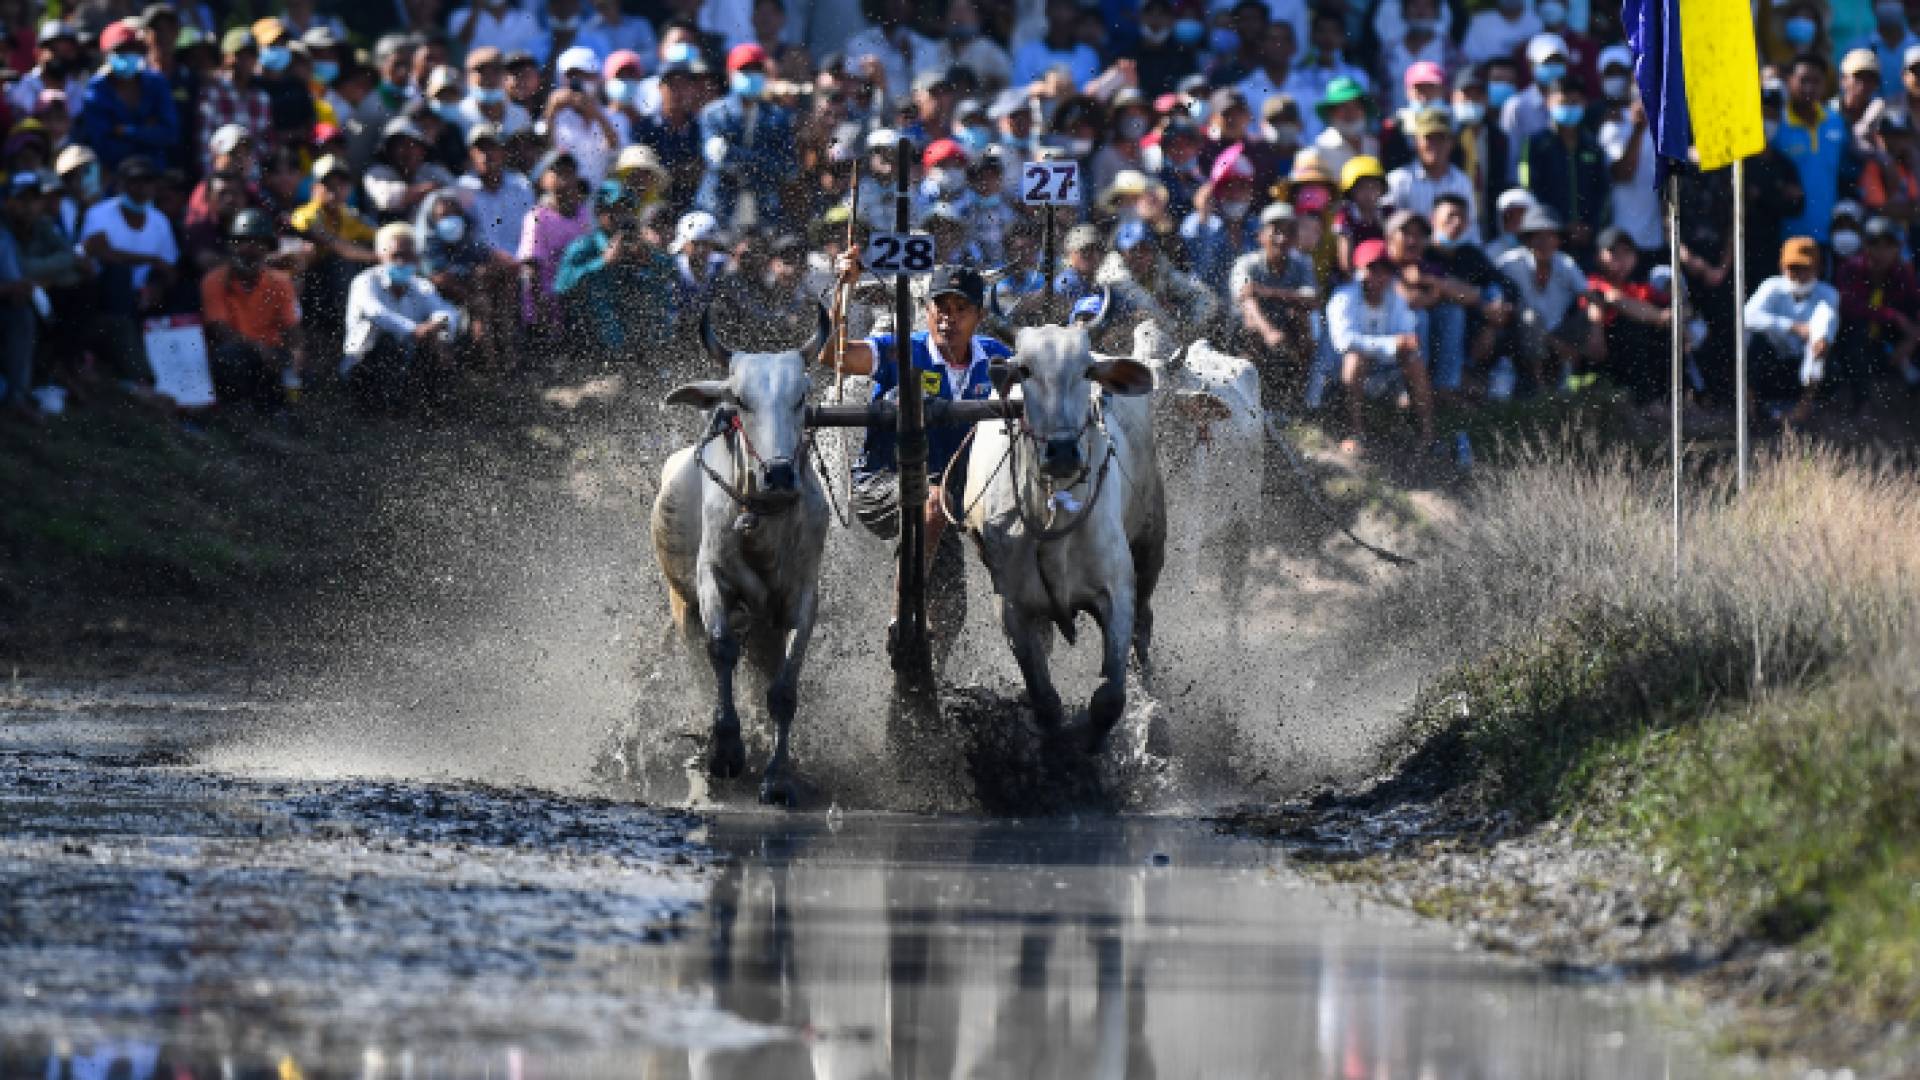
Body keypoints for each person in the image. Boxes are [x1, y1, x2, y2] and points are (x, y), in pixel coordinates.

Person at [823, 260, 1010, 656]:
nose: (948, 318)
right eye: (940, 307)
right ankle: (902, 616)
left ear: (979, 316)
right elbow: (833, 356)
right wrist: (844, 290)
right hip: (880, 484)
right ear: (926, 311)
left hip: (950, 502)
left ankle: (922, 679)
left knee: (951, 614)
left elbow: (1040, 390)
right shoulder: (900, 350)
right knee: (932, 500)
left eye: (961, 309)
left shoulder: (996, 358)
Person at [554, 178, 676, 367]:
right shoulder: (584, 246)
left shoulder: (639, 244)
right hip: (590, 346)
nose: (620, 216)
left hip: (637, 344)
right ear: (599, 211)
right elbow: (561, 286)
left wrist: (648, 257)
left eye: (626, 209)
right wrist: (602, 262)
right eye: (613, 210)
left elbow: (669, 273)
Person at [341, 222, 461, 411]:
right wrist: (416, 330)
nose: (401, 262)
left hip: (406, 361)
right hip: (365, 363)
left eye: (407, 256)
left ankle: (433, 406)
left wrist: (438, 327)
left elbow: (447, 311)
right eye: (396, 255)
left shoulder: (420, 286)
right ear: (381, 255)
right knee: (388, 341)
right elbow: (376, 313)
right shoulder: (365, 282)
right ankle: (377, 405)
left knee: (441, 336)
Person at [1326, 237, 1430, 455]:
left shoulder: (1395, 296)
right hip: (1337, 377)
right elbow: (1343, 342)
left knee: (1414, 359)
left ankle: (1426, 435)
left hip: (1383, 371)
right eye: (1372, 269)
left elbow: (1406, 334)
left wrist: (1402, 344)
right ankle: (1354, 432)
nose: (1379, 276)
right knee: (1355, 358)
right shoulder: (1343, 297)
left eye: (1385, 270)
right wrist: (1392, 344)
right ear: (1360, 270)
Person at [80, 155, 178, 383]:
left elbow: (169, 268)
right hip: (103, 296)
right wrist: (151, 260)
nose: (141, 188)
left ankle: (177, 375)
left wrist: (155, 287)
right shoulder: (98, 213)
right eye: (135, 181)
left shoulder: (160, 221)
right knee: (119, 274)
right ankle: (136, 376)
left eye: (147, 181)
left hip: (141, 296)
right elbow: (103, 252)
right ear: (120, 184)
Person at [1494, 203, 1602, 393]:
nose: (1545, 242)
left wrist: (1596, 331)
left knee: (1586, 318)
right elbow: (1496, 300)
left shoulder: (1565, 264)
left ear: (1558, 240)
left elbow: (1592, 298)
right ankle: (1539, 387)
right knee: (1530, 318)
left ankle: (1568, 379)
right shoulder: (1509, 264)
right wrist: (1552, 341)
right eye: (1538, 236)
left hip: (1559, 335)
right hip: (1520, 336)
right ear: (1527, 239)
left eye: (1551, 235)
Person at [201, 208, 300, 409]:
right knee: (229, 356)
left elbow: (291, 327)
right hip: (238, 354)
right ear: (232, 246)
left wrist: (296, 354)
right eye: (243, 242)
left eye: (258, 243)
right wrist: (258, 349)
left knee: (297, 370)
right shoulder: (214, 280)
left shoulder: (280, 281)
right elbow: (220, 330)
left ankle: (278, 410)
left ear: (268, 249)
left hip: (271, 355)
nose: (250, 249)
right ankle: (236, 409)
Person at [1230, 201, 1319, 408]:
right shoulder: (1247, 263)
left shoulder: (1302, 264)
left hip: (1284, 326)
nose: (1282, 238)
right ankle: (1248, 399)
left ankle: (1294, 399)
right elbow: (1244, 296)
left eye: (1288, 232)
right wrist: (1268, 330)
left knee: (1303, 319)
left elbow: (1312, 300)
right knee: (1251, 317)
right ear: (1261, 236)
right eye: (1276, 231)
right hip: (1246, 331)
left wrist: (1267, 292)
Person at [697, 43, 793, 232]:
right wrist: (762, 159)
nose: (751, 75)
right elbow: (716, 159)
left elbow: (787, 165)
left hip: (764, 208)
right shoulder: (713, 114)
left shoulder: (778, 116)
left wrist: (736, 154)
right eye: (745, 70)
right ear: (730, 74)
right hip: (719, 205)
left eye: (757, 70)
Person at [1744, 236, 1840, 425]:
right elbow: (1747, 317)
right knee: (1752, 344)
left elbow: (1826, 319)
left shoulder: (1828, 293)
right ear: (1782, 267)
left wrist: (1820, 338)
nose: (1799, 274)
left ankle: (1805, 409)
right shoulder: (1771, 286)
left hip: (1802, 369)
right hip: (1772, 366)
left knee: (1823, 352)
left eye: (1805, 268)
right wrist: (1792, 327)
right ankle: (1751, 411)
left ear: (1818, 268)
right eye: (1793, 267)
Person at [1833, 215, 1920, 408]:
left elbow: (1915, 306)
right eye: (1875, 244)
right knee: (1856, 332)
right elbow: (1849, 306)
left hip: (1889, 338)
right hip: (1854, 340)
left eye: (1888, 246)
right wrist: (1893, 316)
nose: (1881, 252)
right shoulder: (1850, 268)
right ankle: (1861, 404)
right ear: (1865, 245)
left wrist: (1912, 339)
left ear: (1898, 248)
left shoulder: (1903, 273)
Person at [1582, 226, 1672, 408]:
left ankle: (1672, 399)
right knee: (1632, 327)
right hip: (1598, 356)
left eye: (1627, 252)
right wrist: (1660, 316)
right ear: (1599, 256)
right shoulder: (1592, 282)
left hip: (1632, 359)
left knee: (1667, 335)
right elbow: (1614, 299)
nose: (1621, 259)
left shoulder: (1637, 288)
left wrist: (1673, 314)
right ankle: (1647, 404)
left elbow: (1674, 307)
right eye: (1614, 253)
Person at [1517, 79, 1608, 259]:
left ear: (1584, 104)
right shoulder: (1535, 144)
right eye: (1563, 102)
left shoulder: (1593, 145)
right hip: (1548, 239)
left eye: (1574, 102)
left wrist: (1590, 226)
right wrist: (1560, 226)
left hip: (1587, 240)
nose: (1569, 107)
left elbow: (1602, 191)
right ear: (1548, 102)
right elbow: (1529, 188)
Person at [78, 19, 181, 173]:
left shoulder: (156, 82)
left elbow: (169, 134)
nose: (129, 55)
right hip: (115, 174)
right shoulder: (96, 90)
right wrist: (147, 133)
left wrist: (127, 131)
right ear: (106, 55)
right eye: (122, 51)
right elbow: (103, 145)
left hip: (156, 173)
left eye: (134, 50)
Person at [1774, 53, 1848, 244]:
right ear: (1789, 80)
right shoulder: (1776, 124)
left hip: (1827, 234)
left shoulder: (1835, 122)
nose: (1810, 87)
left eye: (1816, 81)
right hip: (1785, 237)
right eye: (1804, 80)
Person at [1386, 107, 1476, 234]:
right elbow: (1390, 228)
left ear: (1451, 143)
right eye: (1429, 138)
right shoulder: (1398, 181)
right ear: (1416, 141)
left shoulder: (1462, 182)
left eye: (1441, 138)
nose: (1435, 144)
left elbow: (1471, 227)